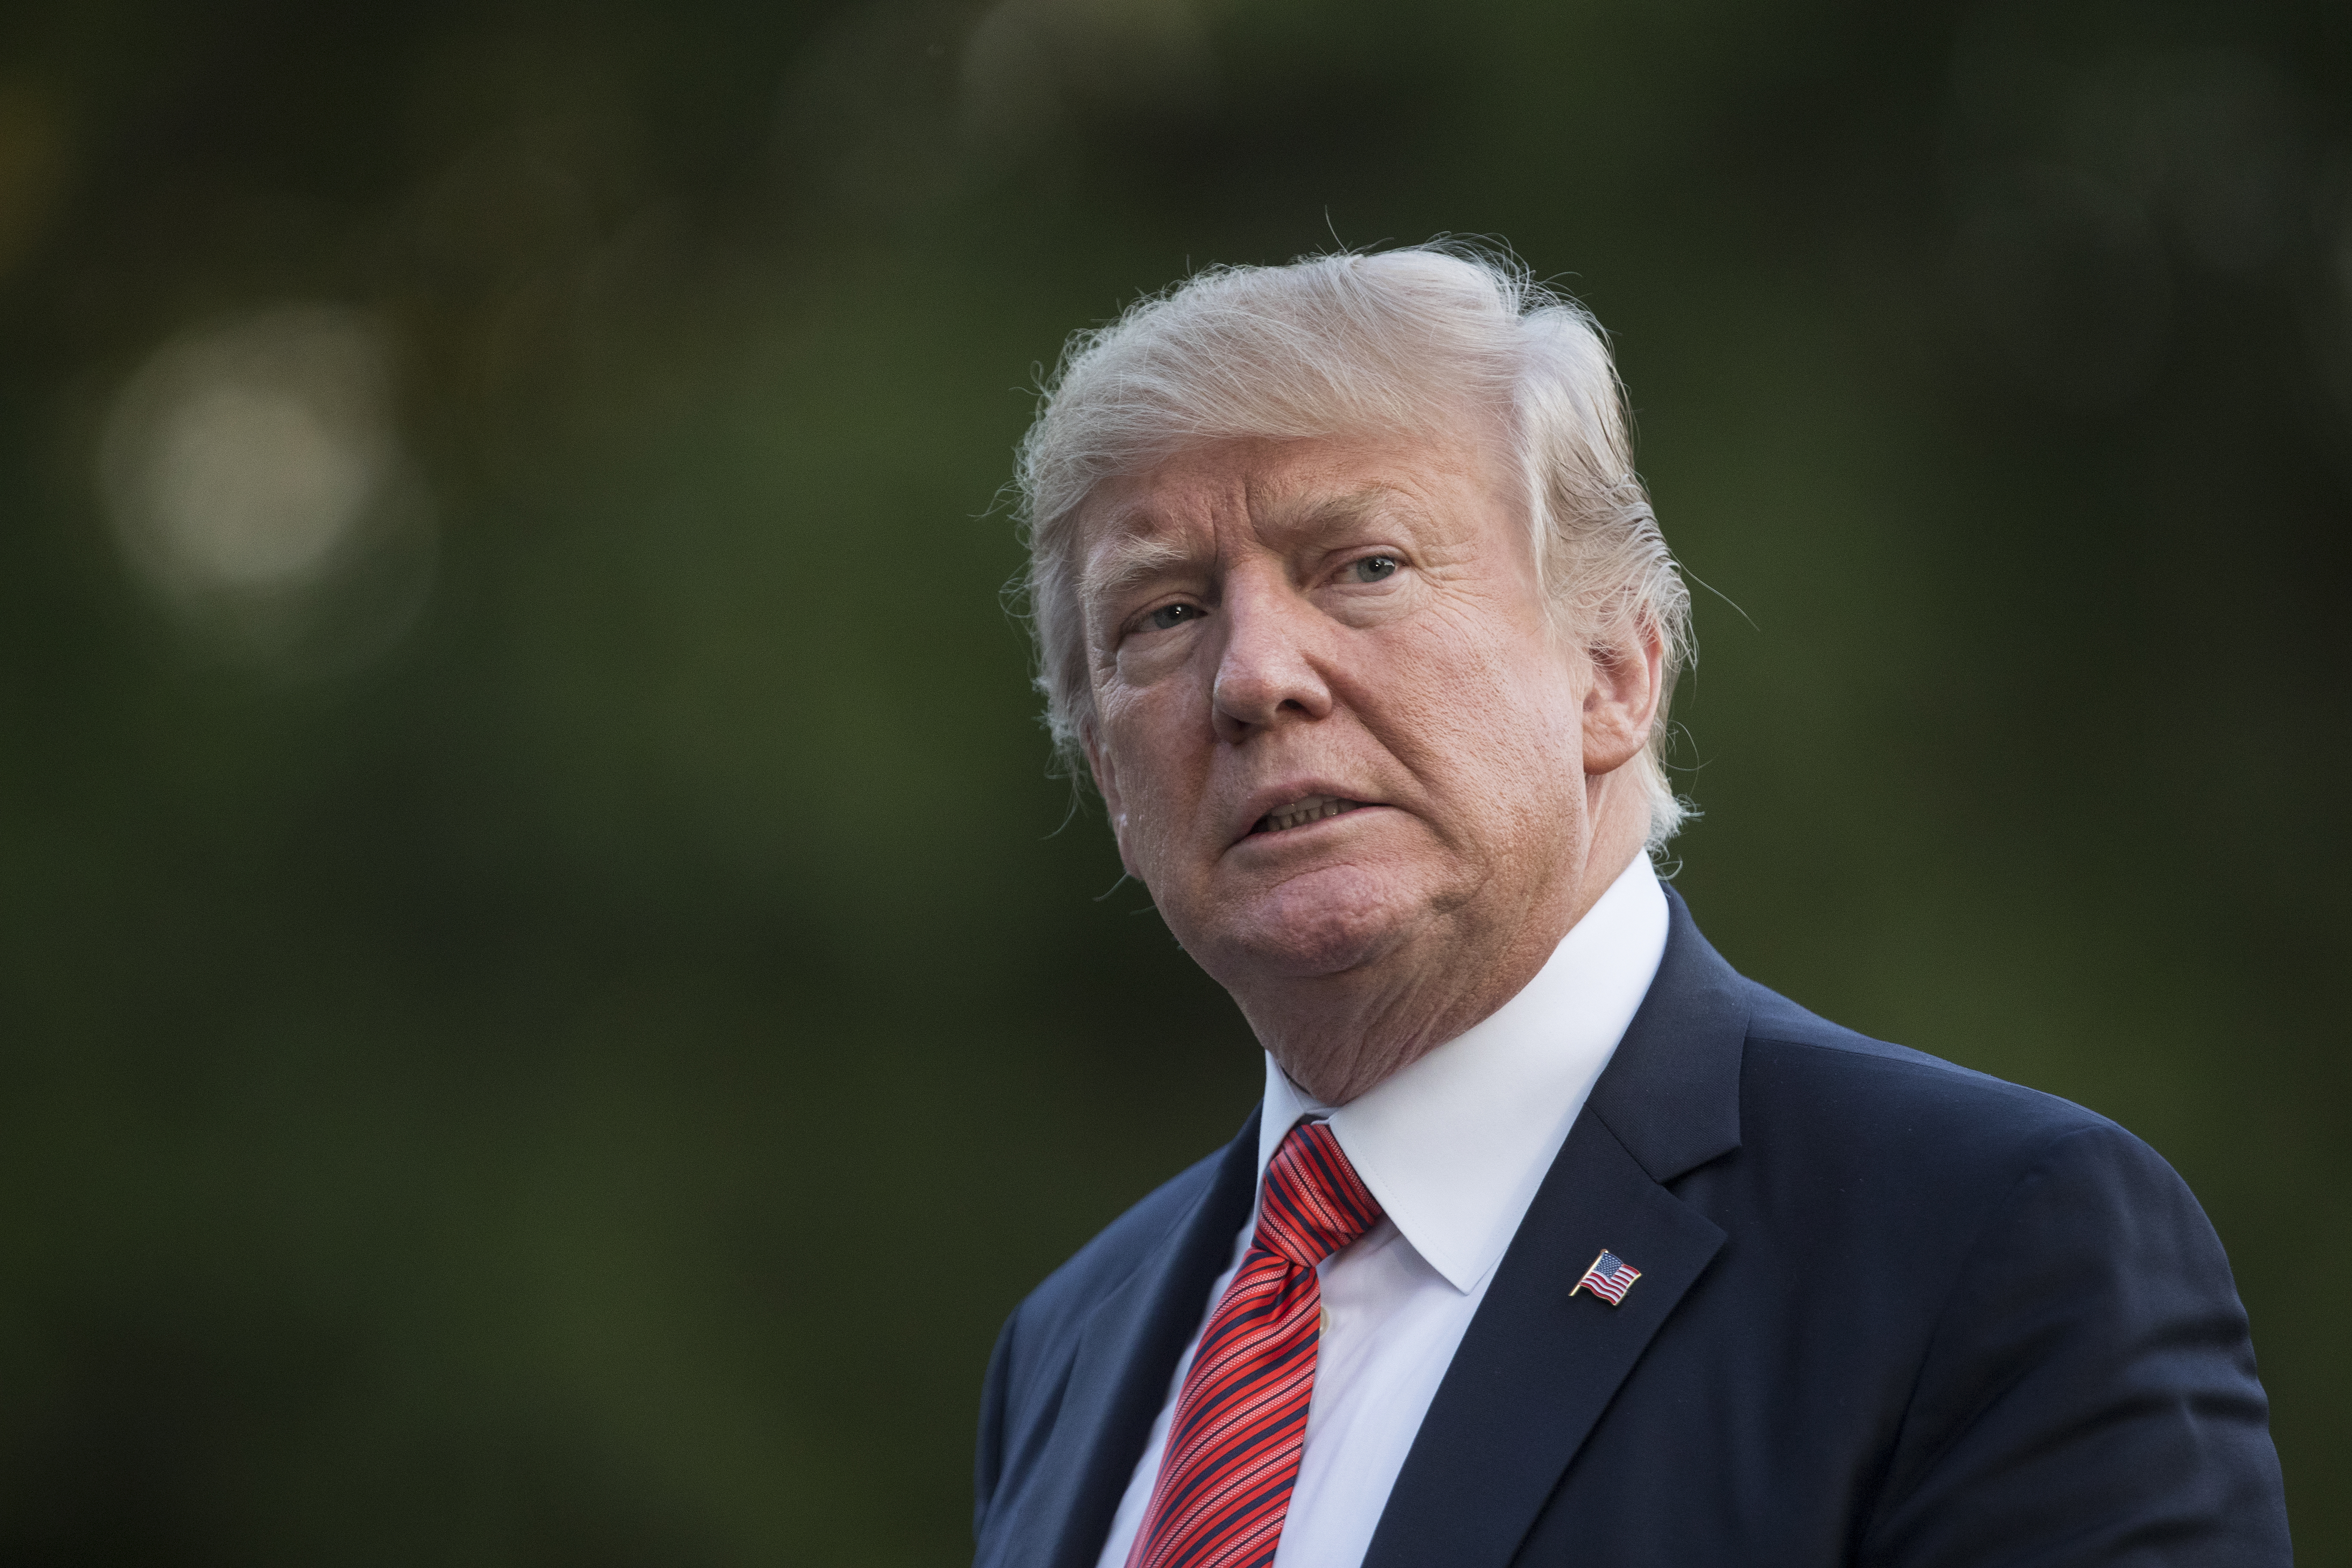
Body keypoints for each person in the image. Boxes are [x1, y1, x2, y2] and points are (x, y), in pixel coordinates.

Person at [971, 246, 2290, 1568]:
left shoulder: (1982, 1248)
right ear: (1109, 778)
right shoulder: (1072, 1346)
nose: (1254, 676)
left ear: (1613, 674)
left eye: (1363, 565)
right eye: (1165, 612)